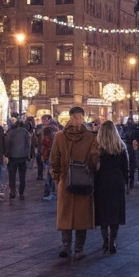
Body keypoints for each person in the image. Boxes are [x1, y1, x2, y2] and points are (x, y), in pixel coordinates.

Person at [51, 106, 100, 259]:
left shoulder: (59, 136)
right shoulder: (91, 137)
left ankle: (66, 246)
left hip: (65, 180)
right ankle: (79, 249)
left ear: (70, 118)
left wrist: (58, 178)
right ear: (83, 117)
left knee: (65, 214)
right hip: (83, 180)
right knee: (82, 216)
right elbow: (94, 161)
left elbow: (54, 160)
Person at [93, 120, 128, 254]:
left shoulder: (98, 147)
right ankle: (113, 241)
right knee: (115, 212)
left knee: (103, 212)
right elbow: (125, 167)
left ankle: (105, 240)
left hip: (101, 181)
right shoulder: (120, 146)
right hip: (117, 180)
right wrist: (126, 183)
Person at [4, 115, 32, 201]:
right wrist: (28, 155)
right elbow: (29, 144)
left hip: (13, 157)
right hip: (23, 156)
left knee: (12, 175)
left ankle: (12, 192)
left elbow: (7, 144)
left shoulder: (11, 132)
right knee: (22, 176)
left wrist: (6, 154)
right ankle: (21, 193)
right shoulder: (25, 132)